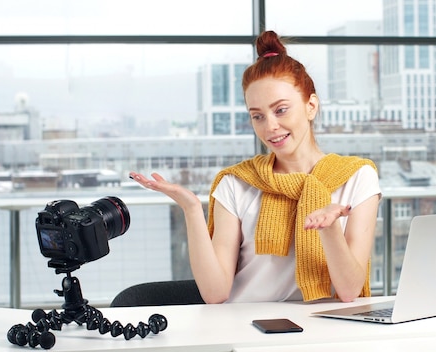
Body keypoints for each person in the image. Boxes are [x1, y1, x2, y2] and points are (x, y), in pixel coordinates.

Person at [129, 30, 381, 304]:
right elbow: (215, 293)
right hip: (248, 328)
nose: (270, 126)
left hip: (324, 329)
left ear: (311, 106)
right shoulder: (236, 183)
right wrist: (191, 209)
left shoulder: (358, 177)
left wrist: (330, 228)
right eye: (257, 116)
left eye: (281, 110)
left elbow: (349, 290)